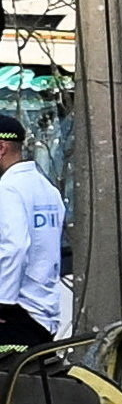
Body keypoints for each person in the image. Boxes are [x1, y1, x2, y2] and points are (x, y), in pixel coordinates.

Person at [0, 116, 65, 353]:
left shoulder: (7, 189)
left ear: (1, 148)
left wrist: (3, 304)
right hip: (44, 314)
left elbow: (14, 246)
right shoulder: (46, 188)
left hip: (15, 313)